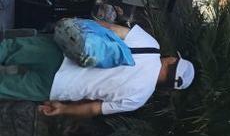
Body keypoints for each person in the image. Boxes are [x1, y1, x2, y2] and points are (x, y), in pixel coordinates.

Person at [0, 17, 195, 113]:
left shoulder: (151, 45)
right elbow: (94, 109)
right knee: (5, 87)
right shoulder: (138, 99)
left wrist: (75, 23)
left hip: (62, 52)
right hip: (58, 88)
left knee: (8, 50)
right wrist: (63, 109)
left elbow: (109, 28)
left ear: (172, 60)